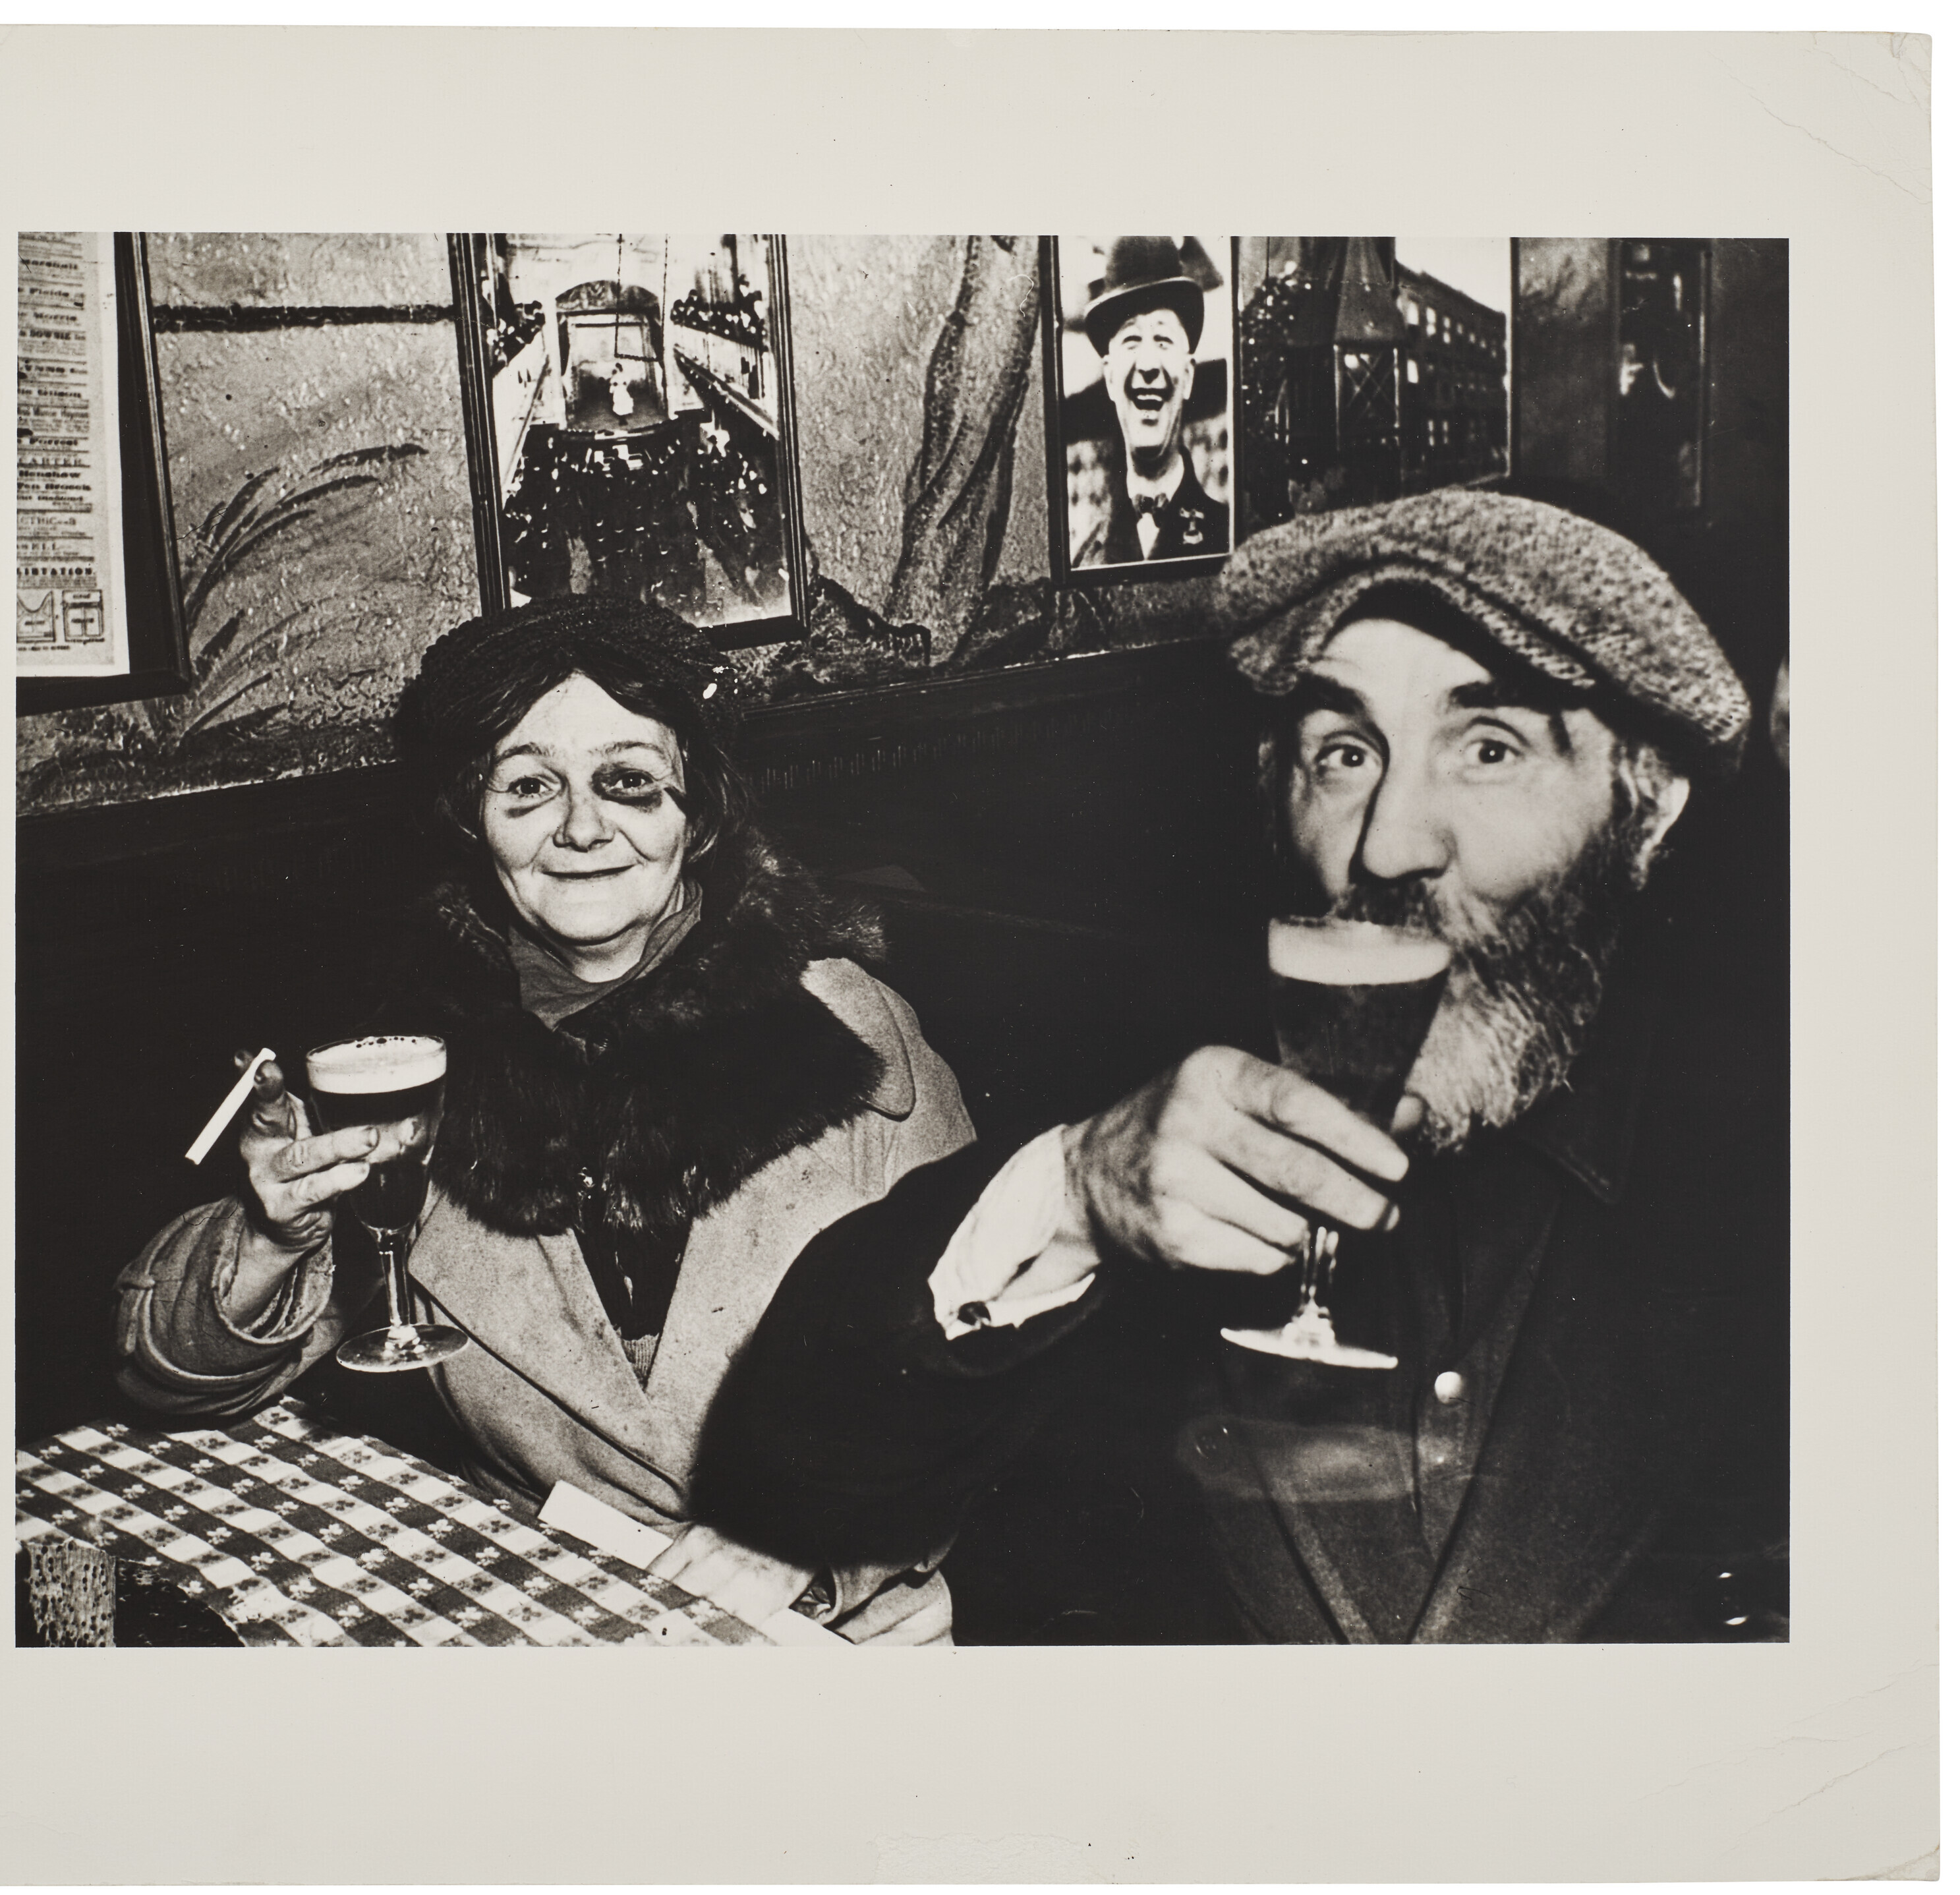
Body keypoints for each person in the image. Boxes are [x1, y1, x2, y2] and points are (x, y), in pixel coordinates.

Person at [694, 490, 1789, 1645]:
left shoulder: (1806, 1172)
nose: (1388, 844)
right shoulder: (1187, 1114)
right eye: (1346, 753)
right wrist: (1078, 1192)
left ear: (1645, 804)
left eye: (1489, 747)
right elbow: (785, 1472)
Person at [114, 595, 975, 1644]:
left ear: (696, 815)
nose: (581, 828)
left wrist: (814, 1542)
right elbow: (169, 1383)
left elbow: (996, 1366)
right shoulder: (403, 1070)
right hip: (550, 1619)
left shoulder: (853, 1036)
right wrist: (270, 1233)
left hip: (837, 1636)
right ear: (472, 821)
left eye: (629, 781)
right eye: (527, 786)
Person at [1071, 235, 1231, 569]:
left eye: (1163, 339)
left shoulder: (1228, 539)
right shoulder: (1084, 559)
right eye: (1131, 340)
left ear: (1188, 375)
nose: (1147, 365)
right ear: (1110, 378)